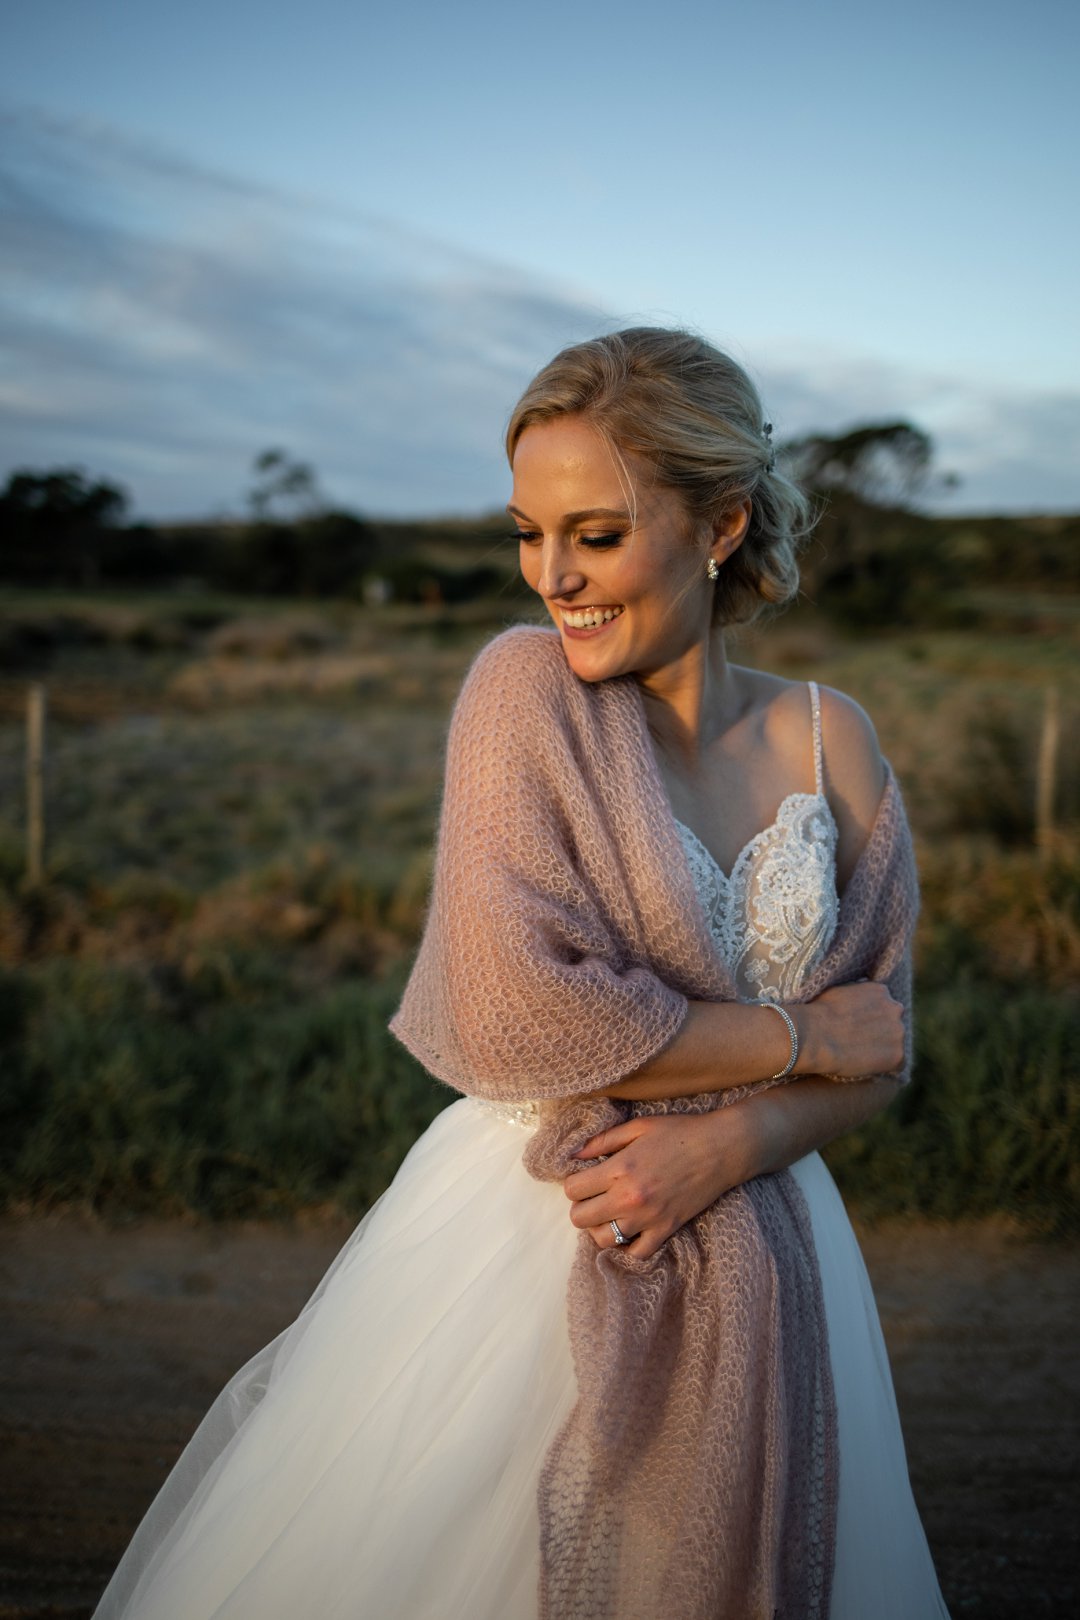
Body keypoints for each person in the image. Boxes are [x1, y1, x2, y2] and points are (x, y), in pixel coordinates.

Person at [93, 328, 950, 1619]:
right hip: (533, 1240)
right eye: (527, 533)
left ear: (720, 524)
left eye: (596, 535)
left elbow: (880, 1039)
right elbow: (517, 1018)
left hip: (777, 1243)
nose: (554, 577)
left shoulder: (831, 737)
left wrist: (739, 1141)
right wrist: (795, 1044)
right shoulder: (523, 695)